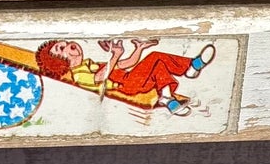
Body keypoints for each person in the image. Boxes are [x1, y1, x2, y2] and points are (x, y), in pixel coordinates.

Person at [33, 37, 216, 114]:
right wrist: (114, 55)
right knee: (156, 58)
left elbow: (125, 64)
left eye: (66, 43)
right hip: (127, 86)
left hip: (132, 79)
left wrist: (138, 49)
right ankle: (191, 67)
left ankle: (168, 99)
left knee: (157, 63)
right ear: (58, 63)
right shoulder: (78, 75)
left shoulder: (91, 64)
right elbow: (101, 78)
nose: (69, 45)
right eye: (62, 49)